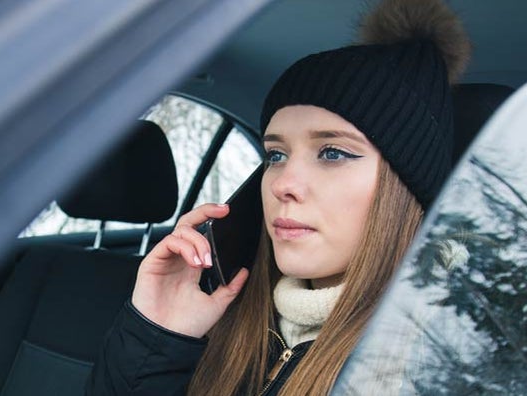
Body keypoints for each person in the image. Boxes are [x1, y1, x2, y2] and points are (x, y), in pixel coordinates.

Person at [86, 0, 471, 394]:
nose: (282, 183)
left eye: (332, 153)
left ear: (405, 187)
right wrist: (159, 335)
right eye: (276, 155)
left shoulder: (444, 358)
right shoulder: (237, 317)